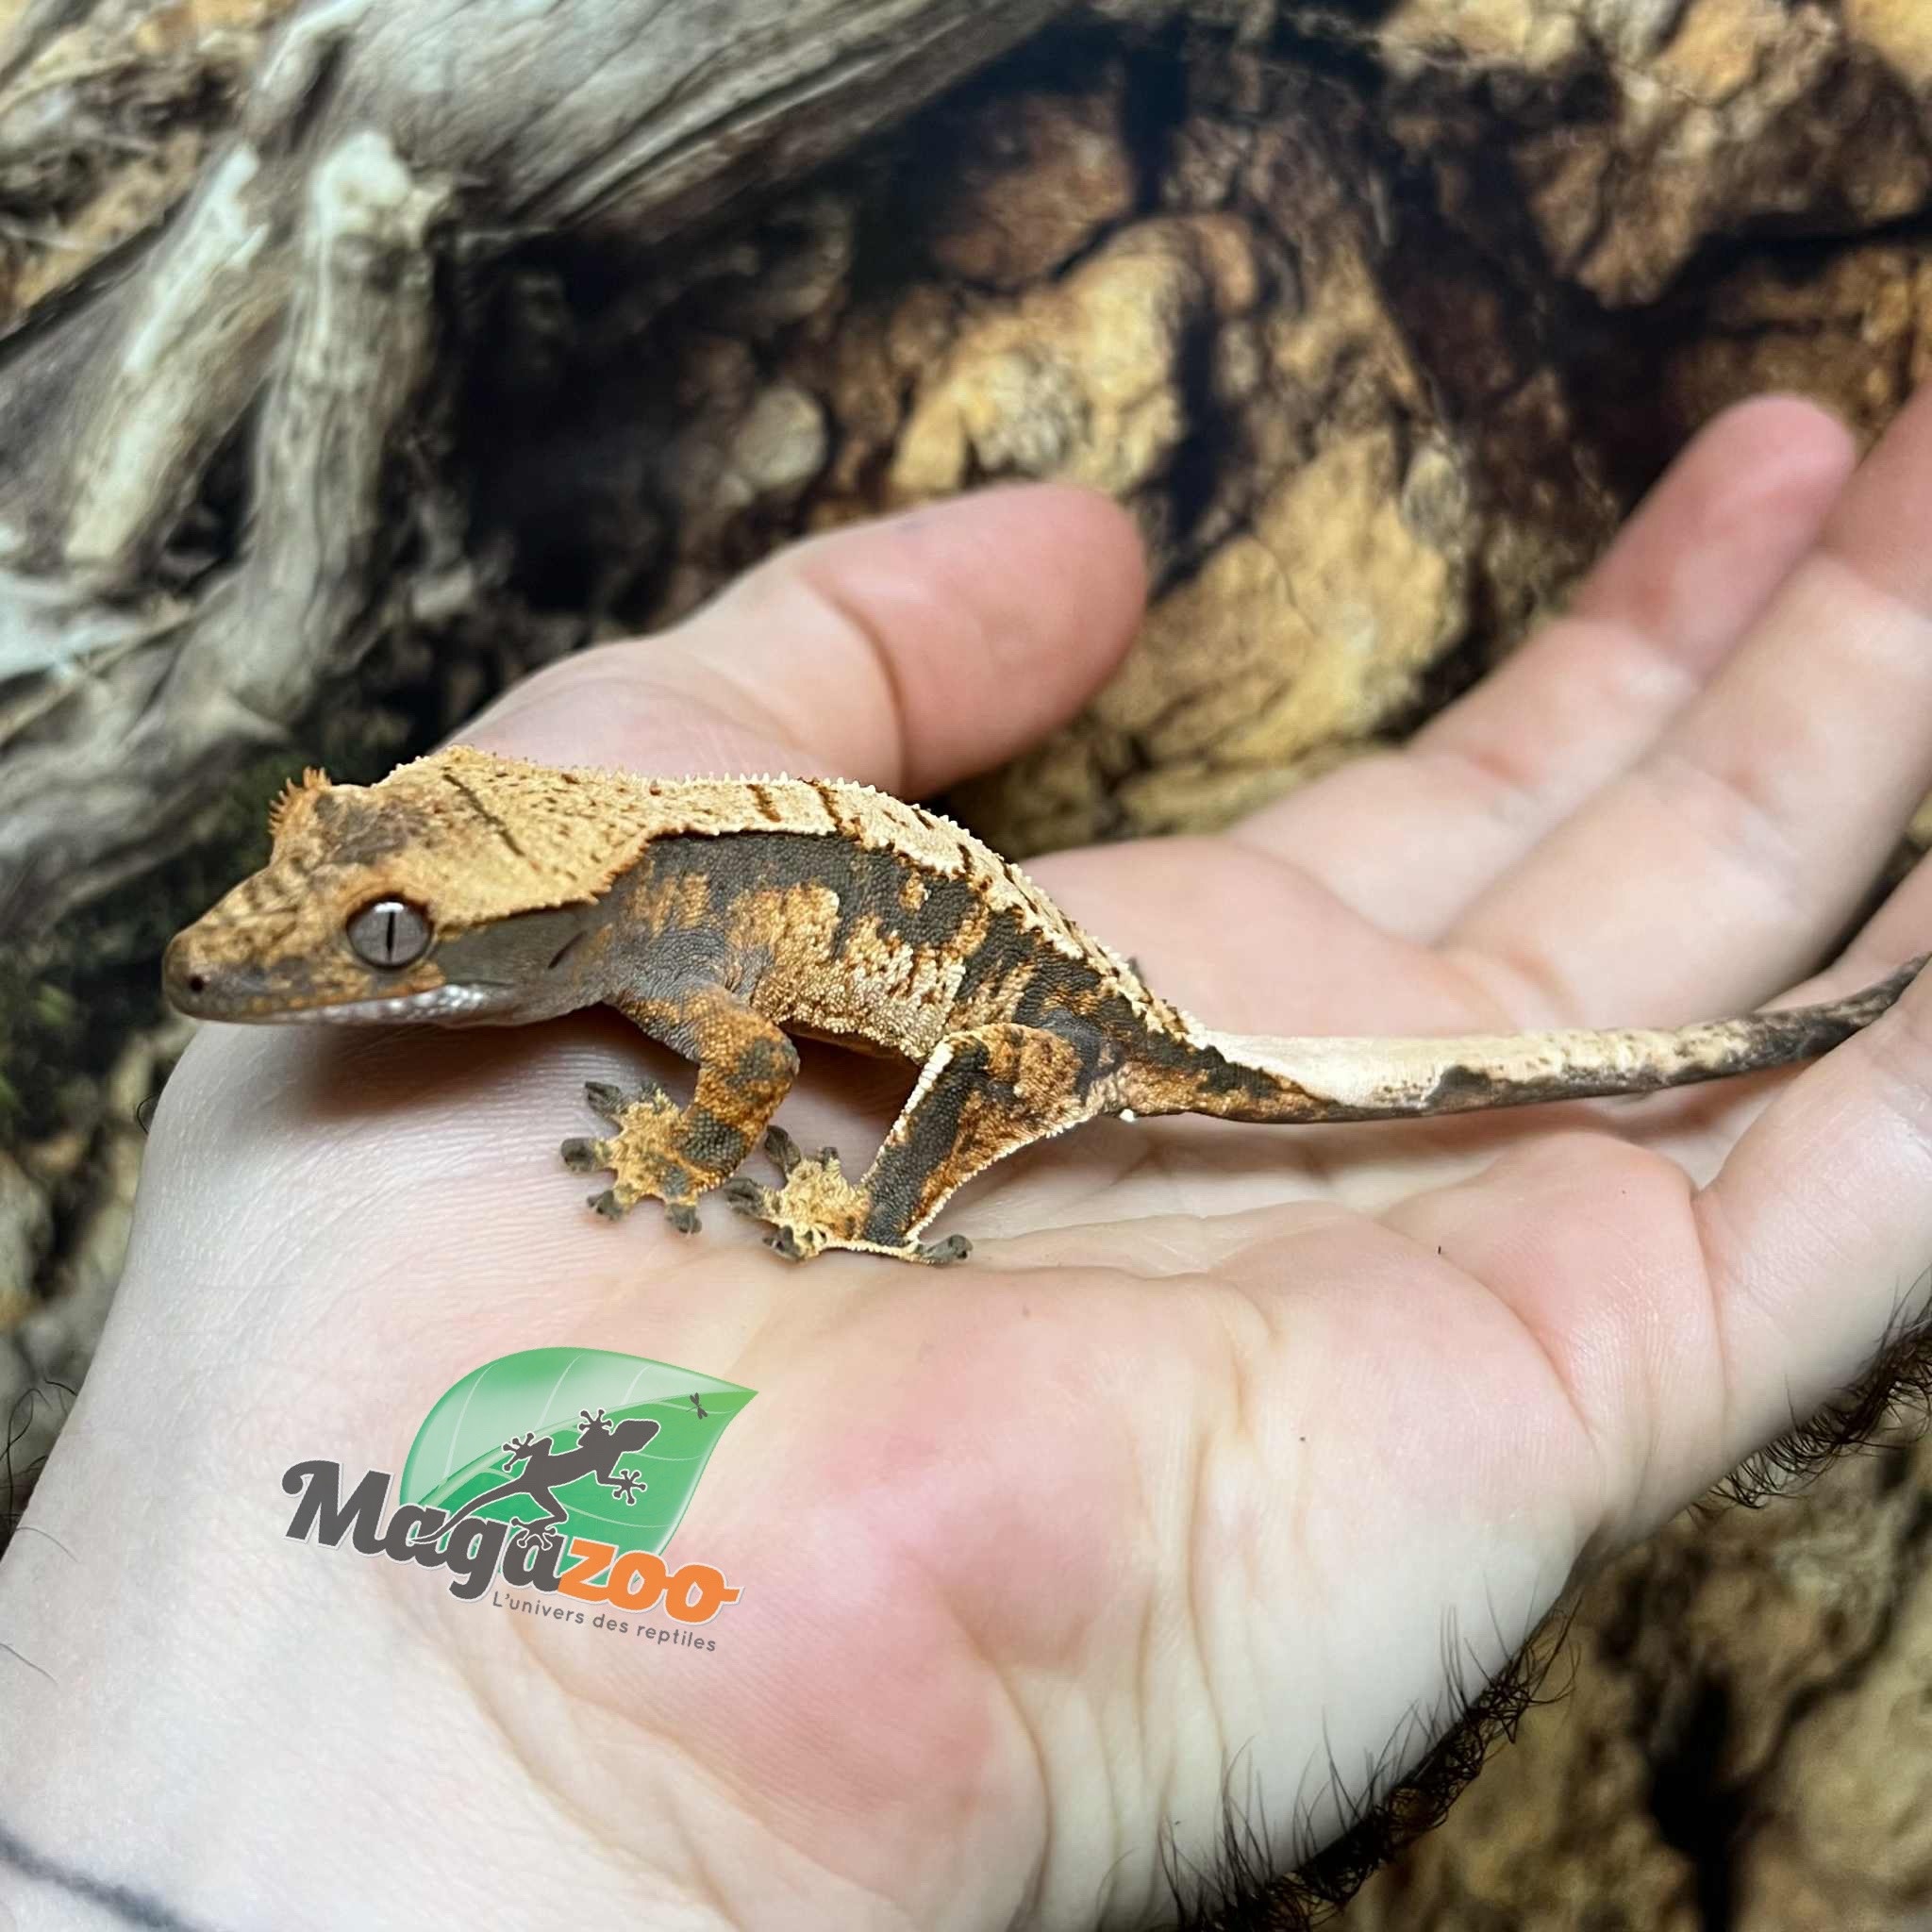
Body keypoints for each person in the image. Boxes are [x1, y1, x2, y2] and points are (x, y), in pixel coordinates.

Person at [4, 386, 1930, 1931]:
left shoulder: (684, 952)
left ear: (538, 915)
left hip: (1044, 1031)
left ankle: (896, 1210)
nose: (267, 954)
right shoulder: (618, 899)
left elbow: (749, 1064)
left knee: (955, 1126)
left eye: (395, 943)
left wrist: (781, 1177)